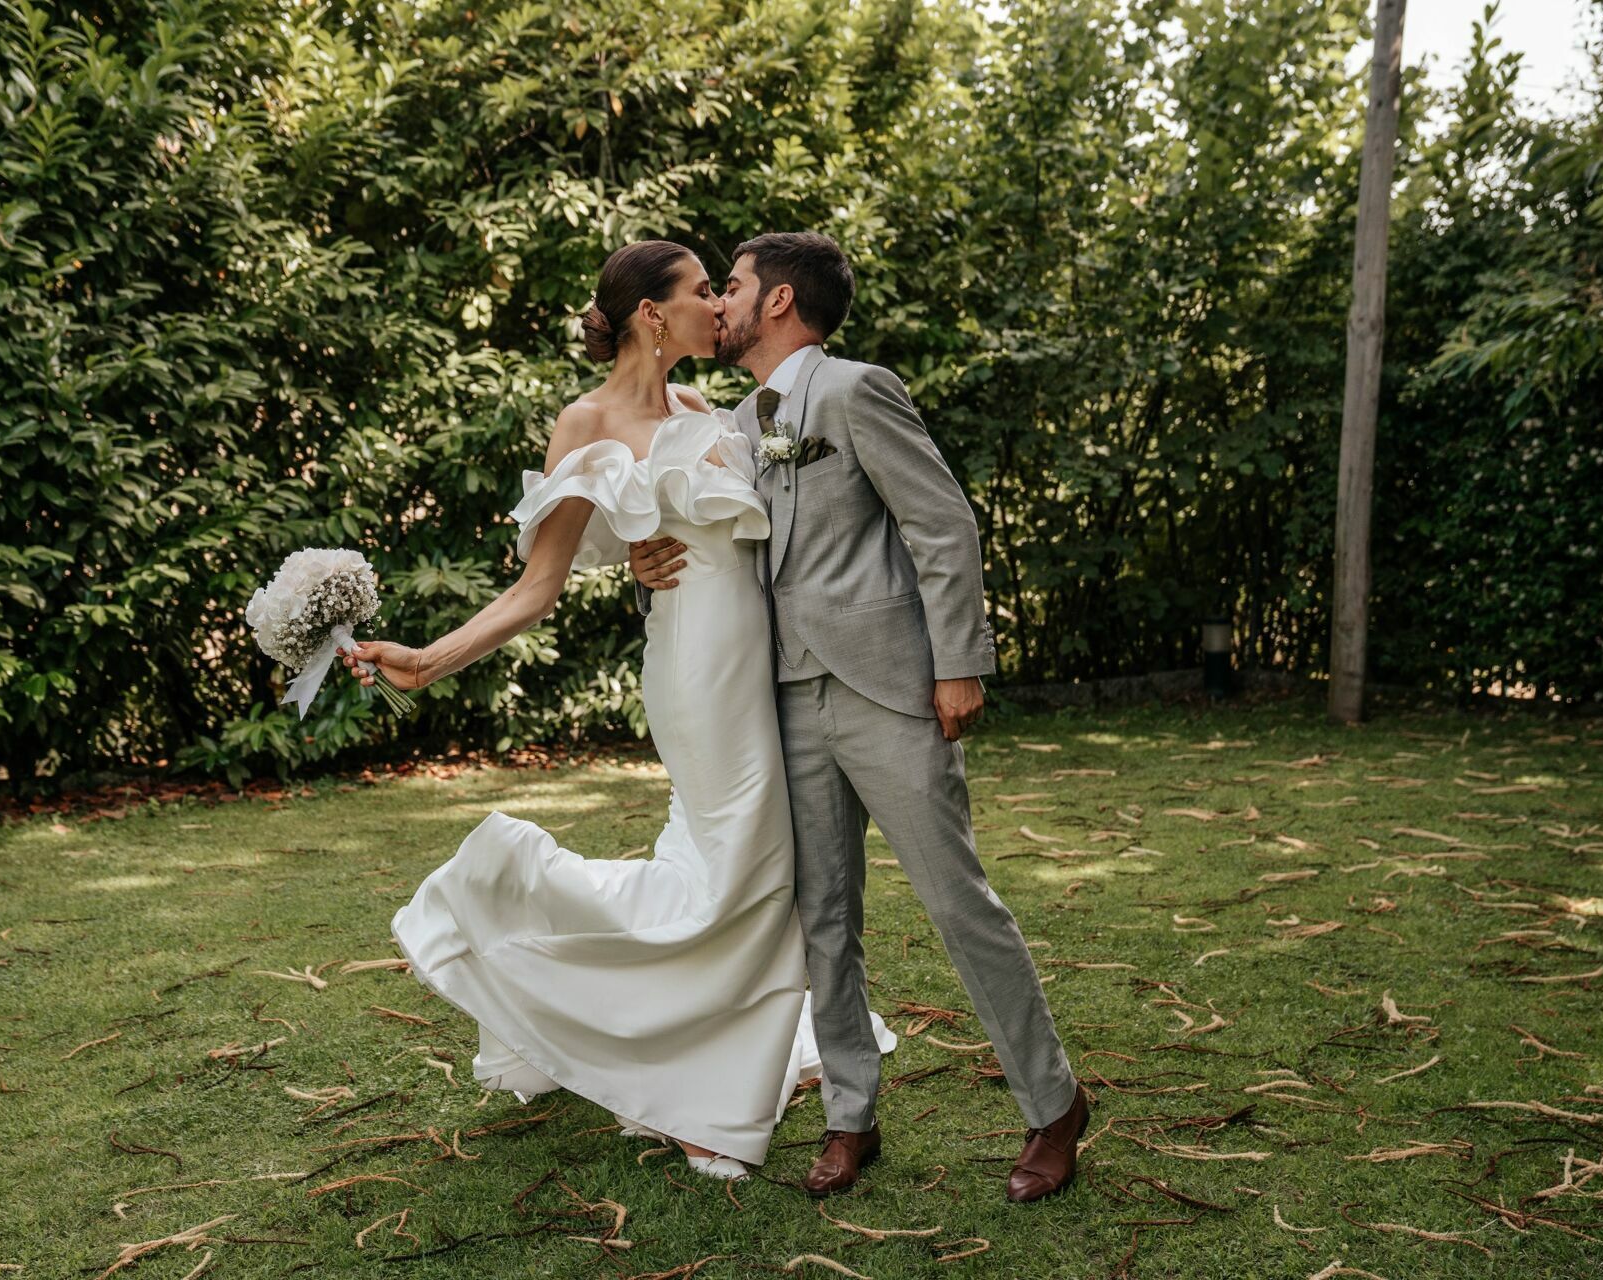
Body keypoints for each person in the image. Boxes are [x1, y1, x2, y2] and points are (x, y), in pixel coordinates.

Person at [338, 239, 891, 1182]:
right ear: (651, 313)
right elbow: (536, 587)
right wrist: (427, 662)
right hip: (697, 671)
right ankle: (689, 1084)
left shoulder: (699, 406)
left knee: (745, 867)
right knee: (738, 871)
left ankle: (711, 1060)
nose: (719, 304)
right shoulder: (585, 422)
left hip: (756, 656)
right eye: (702, 291)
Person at [629, 233, 1089, 1202]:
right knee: (822, 920)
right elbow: (716, 549)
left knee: (957, 901)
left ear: (781, 299)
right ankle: (850, 1113)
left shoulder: (854, 389)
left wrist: (959, 663)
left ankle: (1054, 1106)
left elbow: (940, 521)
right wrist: (648, 568)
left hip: (890, 688)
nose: (723, 303)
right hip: (787, 697)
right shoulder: (735, 423)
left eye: (738, 285)